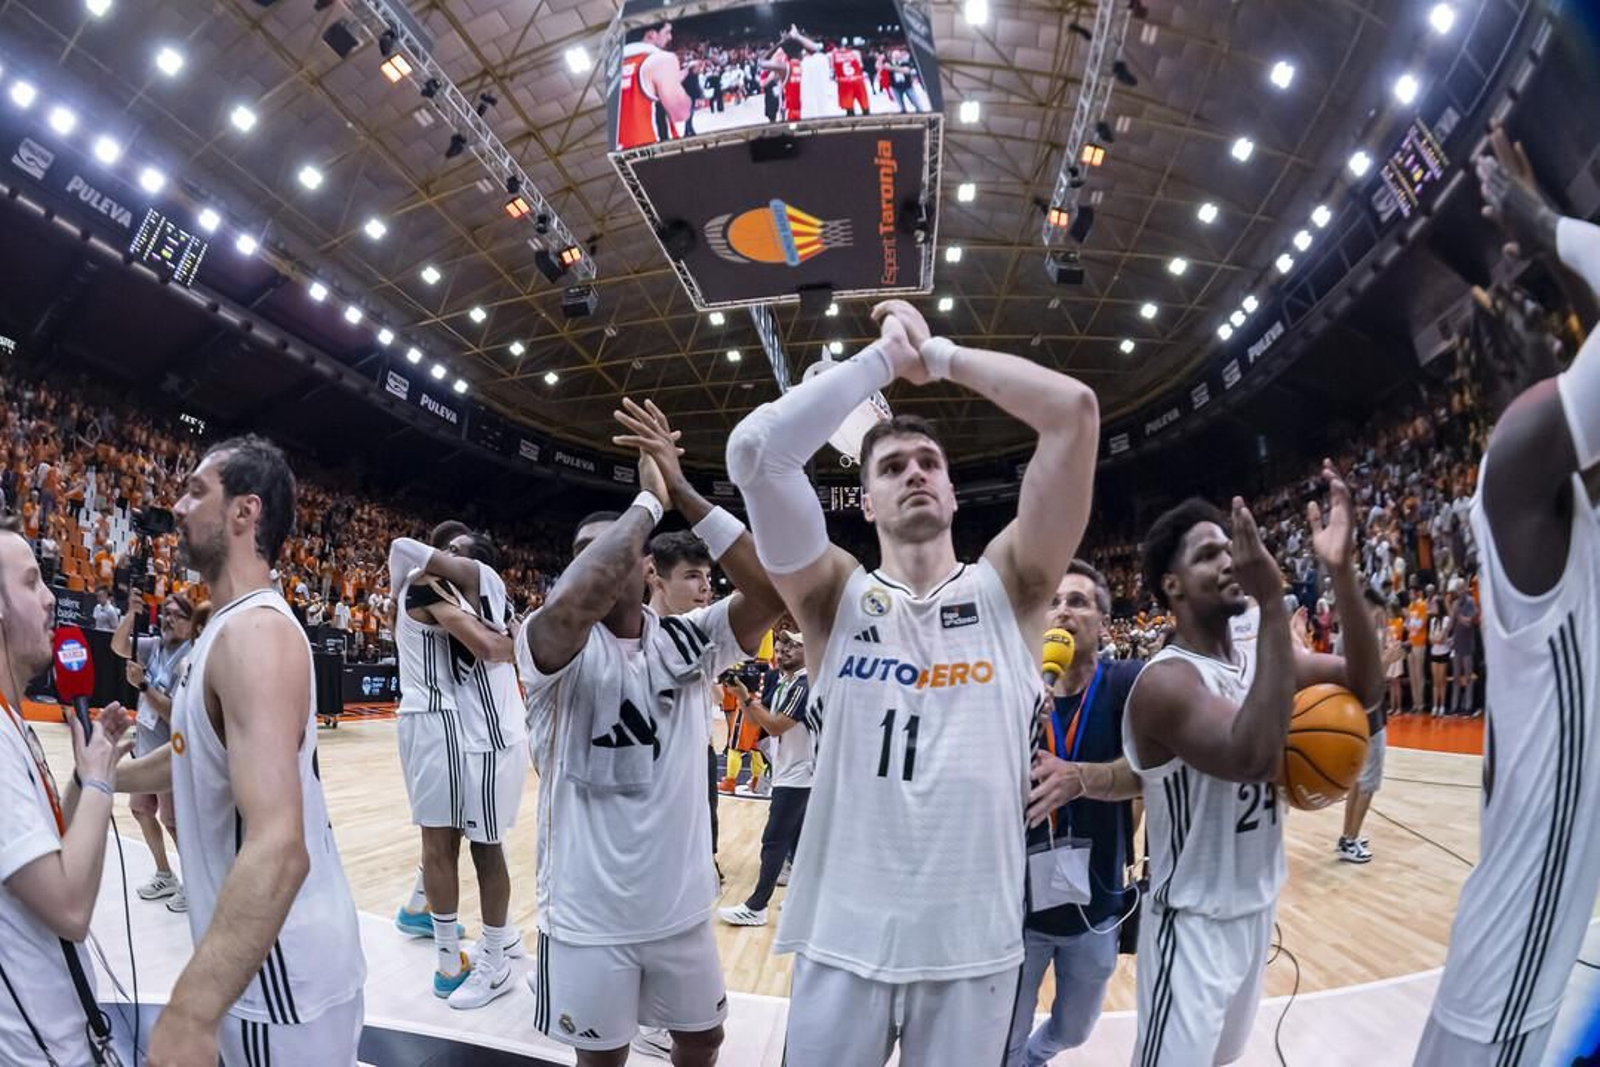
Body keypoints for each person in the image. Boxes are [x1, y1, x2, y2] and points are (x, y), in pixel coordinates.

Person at [726, 299, 1099, 1063]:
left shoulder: (1014, 587)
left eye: (930, 463)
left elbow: (1074, 414)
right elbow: (755, 454)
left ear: (955, 493)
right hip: (841, 936)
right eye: (892, 467)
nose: (915, 473)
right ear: (866, 502)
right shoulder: (834, 597)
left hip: (974, 949)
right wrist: (883, 360)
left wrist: (943, 357)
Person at [518, 399, 786, 1066]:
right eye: (587, 555)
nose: (603, 566)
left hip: (681, 902)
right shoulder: (549, 643)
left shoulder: (692, 637)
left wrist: (682, 489)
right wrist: (644, 501)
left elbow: (771, 591)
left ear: (645, 568)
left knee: (704, 1041)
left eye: (618, 555)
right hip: (587, 910)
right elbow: (577, 597)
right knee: (601, 1058)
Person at [1413, 144, 1600, 1067]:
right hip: (1515, 938)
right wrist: (1544, 226)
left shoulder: (1569, 490)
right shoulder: (1523, 453)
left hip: (1520, 925)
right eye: (1537, 313)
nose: (1560, 321)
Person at [113, 436, 366, 1065]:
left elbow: (280, 846)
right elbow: (192, 753)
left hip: (276, 973)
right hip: (262, 966)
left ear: (245, 513)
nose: (176, 506)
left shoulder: (254, 633)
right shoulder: (225, 628)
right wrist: (104, 774)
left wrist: (192, 1008)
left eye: (196, 490)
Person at [1123, 467, 1382, 1066]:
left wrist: (1341, 572)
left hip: (1256, 911)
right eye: (1208, 554)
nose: (1229, 561)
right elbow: (1252, 756)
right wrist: (1271, 604)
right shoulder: (1165, 682)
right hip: (1191, 926)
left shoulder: (1260, 656)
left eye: (1230, 548)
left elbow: (1367, 688)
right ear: (1173, 586)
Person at [0, 511, 133, 1065]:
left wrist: (83, 775)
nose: (51, 598)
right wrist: (101, 782)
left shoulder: (13, 722)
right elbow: (71, 906)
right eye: (31, 582)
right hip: (42, 1050)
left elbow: (52, 857)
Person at [1005, 561, 1144, 1067]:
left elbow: (1153, 771)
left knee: (1075, 1029)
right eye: (1054, 601)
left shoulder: (1129, 685)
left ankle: (1035, 1058)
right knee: (1003, 1040)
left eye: (1079, 601)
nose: (1063, 609)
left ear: (1103, 621)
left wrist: (1080, 776)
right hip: (1017, 914)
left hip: (1097, 909)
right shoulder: (1014, 694)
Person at [387, 518, 526, 1006]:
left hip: (447, 723)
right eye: (442, 547)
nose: (442, 552)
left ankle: (430, 917)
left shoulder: (468, 594)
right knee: (447, 840)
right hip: (436, 720)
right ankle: (451, 960)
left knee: (459, 836)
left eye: (455, 549)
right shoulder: (427, 585)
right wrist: (535, 645)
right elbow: (489, 648)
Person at [718, 629, 813, 928]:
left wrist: (747, 698)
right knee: (798, 841)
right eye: (782, 644)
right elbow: (754, 720)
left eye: (793, 646)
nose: (783, 649)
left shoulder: (805, 684)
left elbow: (774, 726)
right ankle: (805, 900)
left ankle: (757, 906)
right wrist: (743, 696)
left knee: (774, 840)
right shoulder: (785, 682)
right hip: (789, 771)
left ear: (809, 652)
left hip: (801, 774)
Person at [110, 586, 194, 912]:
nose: (169, 620)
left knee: (173, 822)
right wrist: (131, 613)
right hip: (146, 746)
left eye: (177, 615)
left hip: (170, 755)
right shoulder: (155, 645)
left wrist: (143, 686)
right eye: (166, 613)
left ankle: (194, 881)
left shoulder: (189, 660)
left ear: (191, 624)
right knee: (141, 810)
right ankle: (165, 874)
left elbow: (175, 713)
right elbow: (118, 646)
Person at [1337, 588, 1396, 864]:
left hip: (1354, 715)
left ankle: (1347, 836)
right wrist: (1389, 658)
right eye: (1379, 610)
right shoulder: (1366, 636)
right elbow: (1369, 677)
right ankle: (1350, 840)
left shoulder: (1346, 633)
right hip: (1370, 715)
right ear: (1373, 609)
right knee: (1369, 782)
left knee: (1357, 781)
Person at [616, 21, 693, 151]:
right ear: (651, 34)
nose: (670, 37)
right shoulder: (660, 59)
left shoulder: (615, 67)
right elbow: (680, 112)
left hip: (622, 151)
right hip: (652, 148)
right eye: (667, 32)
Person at [1448, 585, 1480, 716]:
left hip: (1467, 645)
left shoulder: (1471, 602)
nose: (1459, 592)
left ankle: (1468, 706)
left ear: (1465, 590)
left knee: (1468, 677)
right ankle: (1454, 706)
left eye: (1461, 589)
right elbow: (1450, 623)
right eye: (1458, 589)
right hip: (1456, 644)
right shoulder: (1455, 603)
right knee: (1456, 676)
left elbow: (1470, 623)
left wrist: (1458, 615)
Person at [1427, 595, 1453, 716]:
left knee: (1441, 681)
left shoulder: (1446, 620)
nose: (1432, 607)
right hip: (1434, 652)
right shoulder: (1432, 621)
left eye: (1434, 604)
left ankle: (1442, 706)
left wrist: (1436, 638)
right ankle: (1434, 706)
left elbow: (1441, 638)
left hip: (1443, 652)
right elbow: (1431, 638)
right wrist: (1436, 639)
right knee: (1435, 681)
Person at [1405, 585, 1428, 712]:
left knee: (1419, 674)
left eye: (1411, 593)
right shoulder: (1410, 606)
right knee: (1412, 675)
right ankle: (1415, 703)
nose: (1410, 596)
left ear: (1417, 593)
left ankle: (1421, 703)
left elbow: (1420, 624)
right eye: (1409, 594)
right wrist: (1411, 623)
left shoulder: (1422, 605)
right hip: (1410, 643)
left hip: (1419, 643)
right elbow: (1407, 625)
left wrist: (1411, 623)